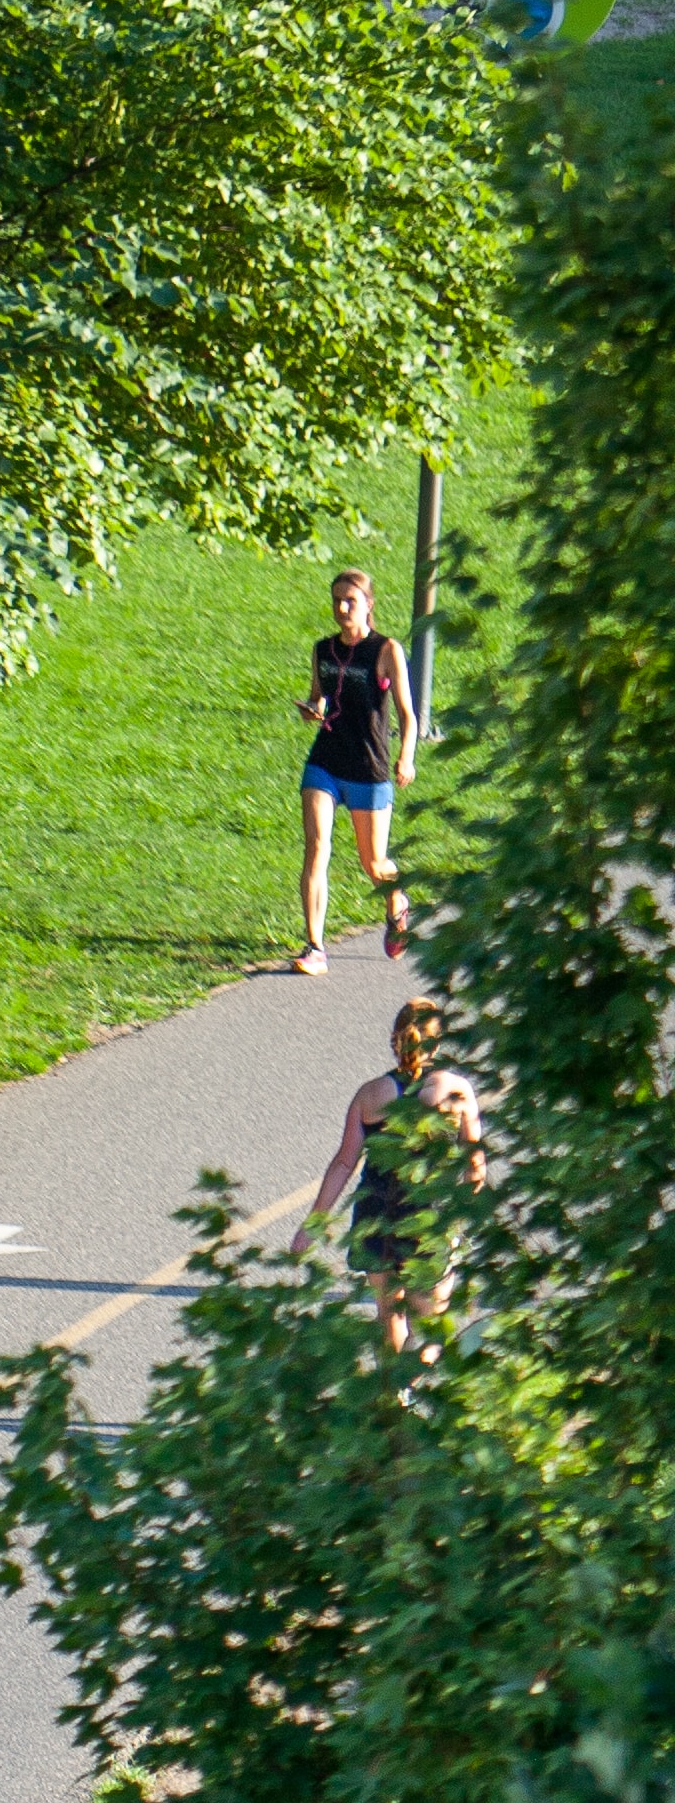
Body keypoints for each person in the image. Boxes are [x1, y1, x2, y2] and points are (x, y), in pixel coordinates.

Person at [299, 999, 489, 1355]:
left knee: (389, 1316)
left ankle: (394, 1398)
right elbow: (474, 1164)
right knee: (431, 1326)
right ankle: (408, 1392)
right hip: (427, 1217)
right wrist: (465, 1214)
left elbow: (344, 1163)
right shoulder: (455, 1091)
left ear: (395, 1039)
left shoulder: (369, 1095)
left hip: (375, 1214)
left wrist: (313, 1223)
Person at [294, 566, 414, 974]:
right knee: (316, 848)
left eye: (351, 601)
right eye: (337, 601)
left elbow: (407, 714)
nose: (342, 608)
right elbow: (320, 699)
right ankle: (314, 948)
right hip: (326, 761)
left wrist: (407, 755)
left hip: (369, 767)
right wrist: (314, 710)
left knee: (373, 863)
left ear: (368, 606)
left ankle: (397, 899)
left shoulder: (385, 651)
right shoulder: (322, 650)